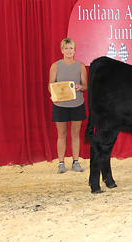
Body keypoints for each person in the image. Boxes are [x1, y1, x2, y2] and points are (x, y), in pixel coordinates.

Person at [49, 38, 88, 173]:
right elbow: (50, 85)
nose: (69, 51)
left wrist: (80, 87)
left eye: (71, 48)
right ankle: (61, 163)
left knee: (76, 134)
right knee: (61, 134)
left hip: (77, 104)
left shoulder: (80, 66)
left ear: (75, 50)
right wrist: (54, 95)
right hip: (60, 106)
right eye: (66, 48)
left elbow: (85, 86)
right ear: (62, 50)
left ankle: (76, 162)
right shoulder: (55, 66)